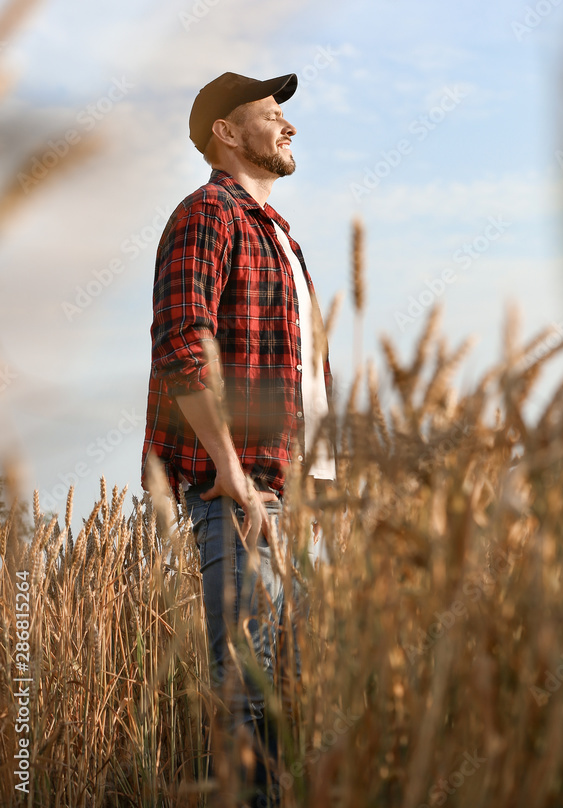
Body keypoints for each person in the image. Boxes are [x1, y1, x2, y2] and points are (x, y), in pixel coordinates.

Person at [140, 71, 336, 805]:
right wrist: (229, 471)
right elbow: (182, 346)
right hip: (245, 492)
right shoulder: (207, 214)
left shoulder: (278, 234)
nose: (288, 127)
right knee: (246, 693)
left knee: (291, 696)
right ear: (226, 131)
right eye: (270, 113)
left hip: (299, 496)